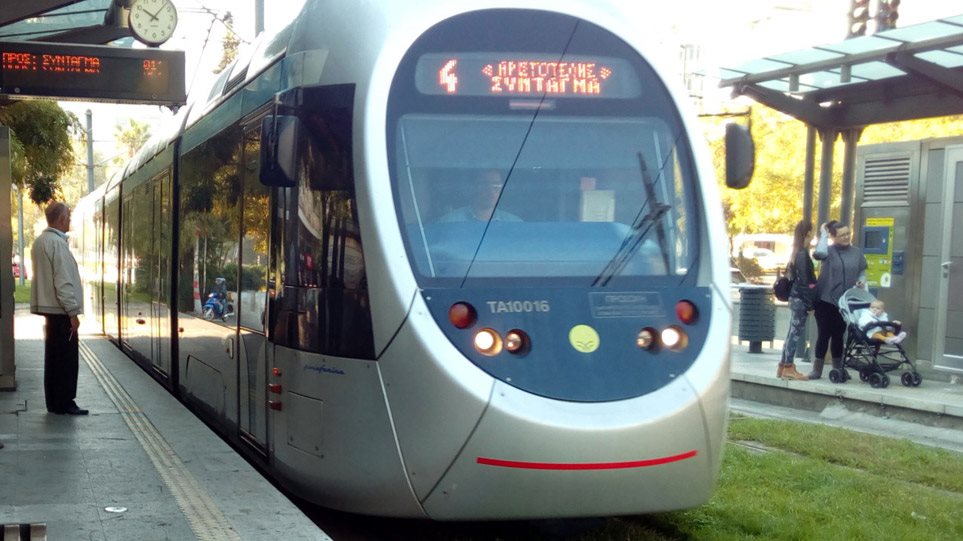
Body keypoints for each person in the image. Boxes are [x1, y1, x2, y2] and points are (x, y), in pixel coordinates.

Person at [30, 201, 88, 415]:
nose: (69, 221)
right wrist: (72, 312)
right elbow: (63, 281)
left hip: (50, 311)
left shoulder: (40, 242)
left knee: (53, 359)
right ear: (61, 219)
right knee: (66, 359)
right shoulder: (57, 244)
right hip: (61, 311)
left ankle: (54, 402)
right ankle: (65, 402)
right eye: (68, 217)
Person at [809, 220, 867, 380]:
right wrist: (824, 234)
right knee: (824, 334)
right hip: (825, 300)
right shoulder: (828, 251)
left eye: (848, 233)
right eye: (842, 235)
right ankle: (817, 369)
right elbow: (819, 254)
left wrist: (861, 281)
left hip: (844, 302)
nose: (846, 237)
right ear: (833, 237)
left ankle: (838, 369)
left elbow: (862, 270)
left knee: (839, 335)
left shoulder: (856, 253)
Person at [777, 220, 816, 381]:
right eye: (813, 231)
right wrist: (810, 304)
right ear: (808, 233)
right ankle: (788, 367)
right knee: (794, 334)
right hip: (800, 299)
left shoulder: (796, 253)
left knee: (791, 332)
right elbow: (805, 282)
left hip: (795, 298)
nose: (814, 234)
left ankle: (783, 365)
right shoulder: (802, 254)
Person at [438, 169, 522, 222]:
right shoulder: (449, 221)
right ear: (473, 188)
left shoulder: (515, 223)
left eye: (496, 185)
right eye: (484, 185)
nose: (490, 191)